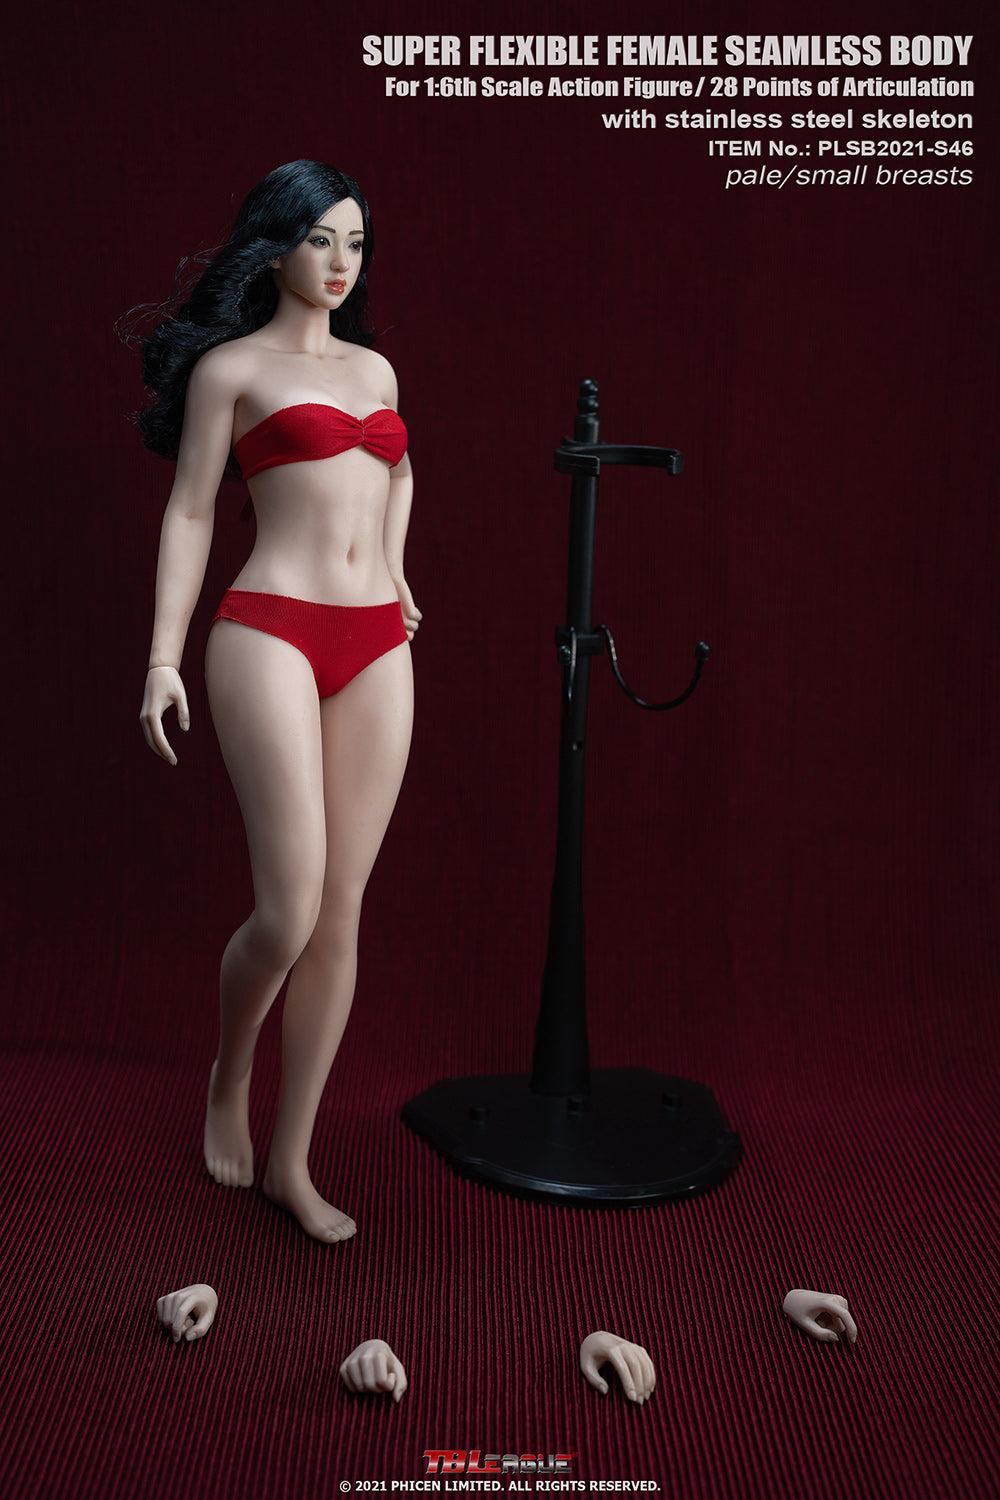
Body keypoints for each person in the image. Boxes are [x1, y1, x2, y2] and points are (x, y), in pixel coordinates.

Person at [131, 159, 421, 1244]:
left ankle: (291, 1160)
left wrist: (396, 572)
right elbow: (191, 512)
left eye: (356, 242)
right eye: (319, 239)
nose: (340, 263)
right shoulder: (233, 370)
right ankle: (229, 1074)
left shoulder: (377, 372)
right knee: (288, 909)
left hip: (376, 641)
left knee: (342, 913)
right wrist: (162, 657)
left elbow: (398, 473)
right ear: (276, 244)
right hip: (269, 629)